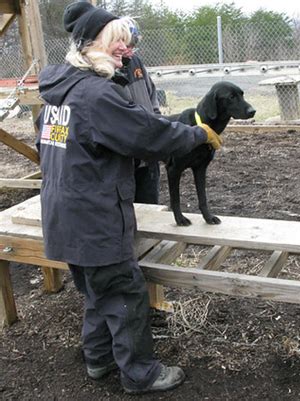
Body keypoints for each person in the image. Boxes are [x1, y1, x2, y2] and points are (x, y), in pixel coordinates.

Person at [36, 1, 222, 395]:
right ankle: (141, 373)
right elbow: (151, 136)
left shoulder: (58, 93)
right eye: (116, 42)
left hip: (63, 214)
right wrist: (199, 134)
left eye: (126, 41)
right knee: (125, 294)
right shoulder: (97, 95)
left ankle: (99, 360)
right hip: (95, 216)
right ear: (91, 46)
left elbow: (59, 146)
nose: (126, 49)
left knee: (95, 292)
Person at [120, 18, 162, 205]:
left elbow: (151, 95)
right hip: (126, 154)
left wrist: (157, 125)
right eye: (126, 43)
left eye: (133, 44)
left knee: (149, 201)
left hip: (148, 149)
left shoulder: (136, 63)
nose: (129, 49)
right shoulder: (107, 70)